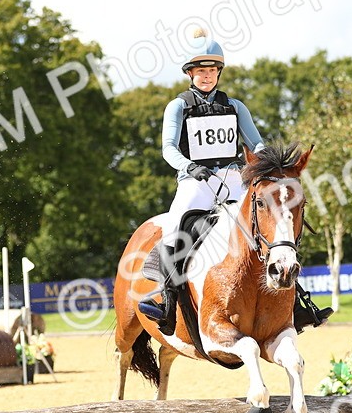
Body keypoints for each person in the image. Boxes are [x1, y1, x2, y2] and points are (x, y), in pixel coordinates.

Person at [138, 29, 332, 336]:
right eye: (201, 71)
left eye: (212, 70)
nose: (207, 76)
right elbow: (168, 149)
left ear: (219, 73)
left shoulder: (235, 106)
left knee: (271, 223)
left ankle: (297, 303)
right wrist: (189, 167)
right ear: (190, 73)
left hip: (233, 179)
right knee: (176, 227)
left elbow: (256, 144)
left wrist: (271, 164)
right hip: (195, 182)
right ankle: (166, 301)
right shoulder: (178, 106)